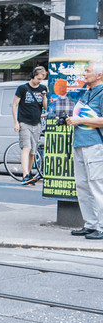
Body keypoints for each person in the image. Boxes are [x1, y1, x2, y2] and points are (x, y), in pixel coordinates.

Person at [68, 62, 103, 240]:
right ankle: (91, 224)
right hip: (80, 144)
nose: (84, 74)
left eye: (88, 71)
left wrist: (80, 121)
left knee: (96, 185)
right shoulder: (88, 93)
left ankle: (101, 226)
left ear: (99, 75)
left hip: (94, 145)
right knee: (82, 186)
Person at [11, 66, 48, 185]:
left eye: (41, 79)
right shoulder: (23, 88)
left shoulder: (42, 88)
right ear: (33, 76)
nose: (39, 81)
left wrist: (44, 97)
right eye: (38, 78)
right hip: (24, 122)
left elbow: (45, 107)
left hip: (37, 122)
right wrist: (16, 122)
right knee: (26, 147)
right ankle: (25, 175)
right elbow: (14, 105)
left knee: (33, 150)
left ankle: (29, 174)